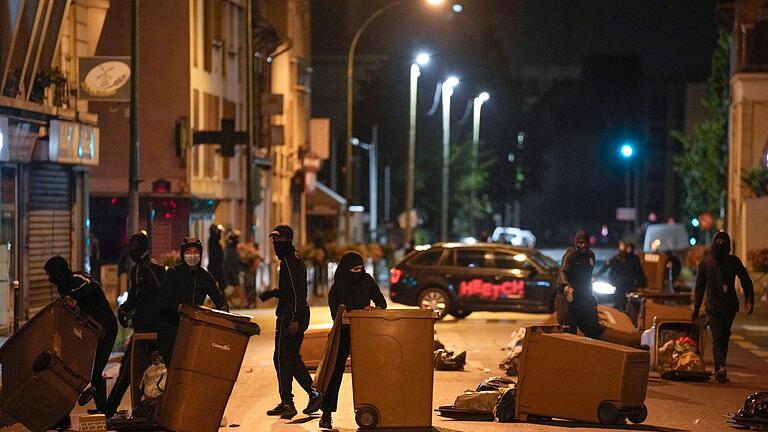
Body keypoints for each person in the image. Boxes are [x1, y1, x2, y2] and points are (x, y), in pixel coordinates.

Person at [44, 256, 118, 428]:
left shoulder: (78, 278)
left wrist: (73, 295)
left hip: (106, 328)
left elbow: (93, 286)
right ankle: (67, 416)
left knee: (96, 371)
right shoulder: (62, 288)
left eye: (51, 274)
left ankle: (104, 411)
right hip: (88, 332)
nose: (50, 279)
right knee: (76, 373)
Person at [319, 251, 387, 430]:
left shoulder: (367, 280)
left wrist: (372, 309)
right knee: (335, 373)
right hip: (344, 333)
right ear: (346, 269)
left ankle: (375, 409)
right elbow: (336, 314)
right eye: (355, 269)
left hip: (365, 334)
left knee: (368, 373)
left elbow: (382, 303)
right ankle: (326, 414)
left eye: (361, 268)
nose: (359, 272)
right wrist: (348, 313)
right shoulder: (338, 287)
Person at [262, 224, 323, 419]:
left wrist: (294, 318)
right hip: (294, 312)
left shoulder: (289, 261)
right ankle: (304, 396)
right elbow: (292, 290)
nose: (275, 244)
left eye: (279, 240)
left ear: (288, 240)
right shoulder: (292, 259)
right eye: (274, 240)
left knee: (283, 357)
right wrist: (273, 293)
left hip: (291, 315)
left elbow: (298, 293)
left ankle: (292, 400)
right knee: (288, 357)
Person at [105, 231, 166, 417]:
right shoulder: (137, 269)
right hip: (141, 330)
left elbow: (163, 296)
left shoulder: (152, 269)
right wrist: (124, 310)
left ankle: (111, 409)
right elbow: (134, 296)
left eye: (135, 246)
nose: (131, 250)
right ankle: (109, 409)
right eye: (130, 246)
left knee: (134, 371)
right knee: (128, 369)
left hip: (152, 331)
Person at [692, 231, 754, 383]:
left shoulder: (733, 262)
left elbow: (746, 280)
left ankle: (721, 365)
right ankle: (720, 367)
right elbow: (699, 288)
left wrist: (749, 299)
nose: (721, 246)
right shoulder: (706, 263)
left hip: (730, 306)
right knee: (718, 336)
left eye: (723, 243)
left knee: (724, 336)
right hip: (713, 307)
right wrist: (696, 309)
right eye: (718, 243)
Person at [156, 237, 229, 365]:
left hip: (193, 330)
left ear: (200, 255)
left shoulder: (205, 276)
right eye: (188, 252)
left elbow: (219, 298)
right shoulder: (173, 273)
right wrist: (178, 308)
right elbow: (161, 301)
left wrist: (223, 310)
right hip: (172, 329)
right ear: (182, 254)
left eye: (195, 252)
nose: (192, 255)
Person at [557, 230, 604, 339]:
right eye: (579, 242)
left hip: (584, 296)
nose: (582, 245)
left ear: (589, 243)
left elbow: (588, 276)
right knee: (569, 330)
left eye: (584, 242)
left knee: (592, 328)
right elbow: (562, 271)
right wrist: (566, 285)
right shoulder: (571, 255)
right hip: (570, 297)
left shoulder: (590, 255)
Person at [595, 241, 647, 311]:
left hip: (628, 285)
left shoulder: (634, 259)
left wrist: (642, 284)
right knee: (619, 302)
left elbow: (639, 272)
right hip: (620, 284)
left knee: (627, 304)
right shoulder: (618, 258)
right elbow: (606, 265)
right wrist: (596, 276)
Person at [223, 230, 248, 307]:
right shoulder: (230, 250)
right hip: (231, 272)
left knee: (236, 289)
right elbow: (230, 262)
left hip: (233, 271)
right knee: (237, 288)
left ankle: (241, 303)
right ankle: (244, 303)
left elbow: (238, 261)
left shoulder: (232, 249)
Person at [207, 224, 225, 289]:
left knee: (219, 283)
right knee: (216, 283)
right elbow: (217, 236)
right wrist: (220, 230)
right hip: (215, 265)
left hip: (216, 265)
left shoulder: (213, 240)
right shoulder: (212, 239)